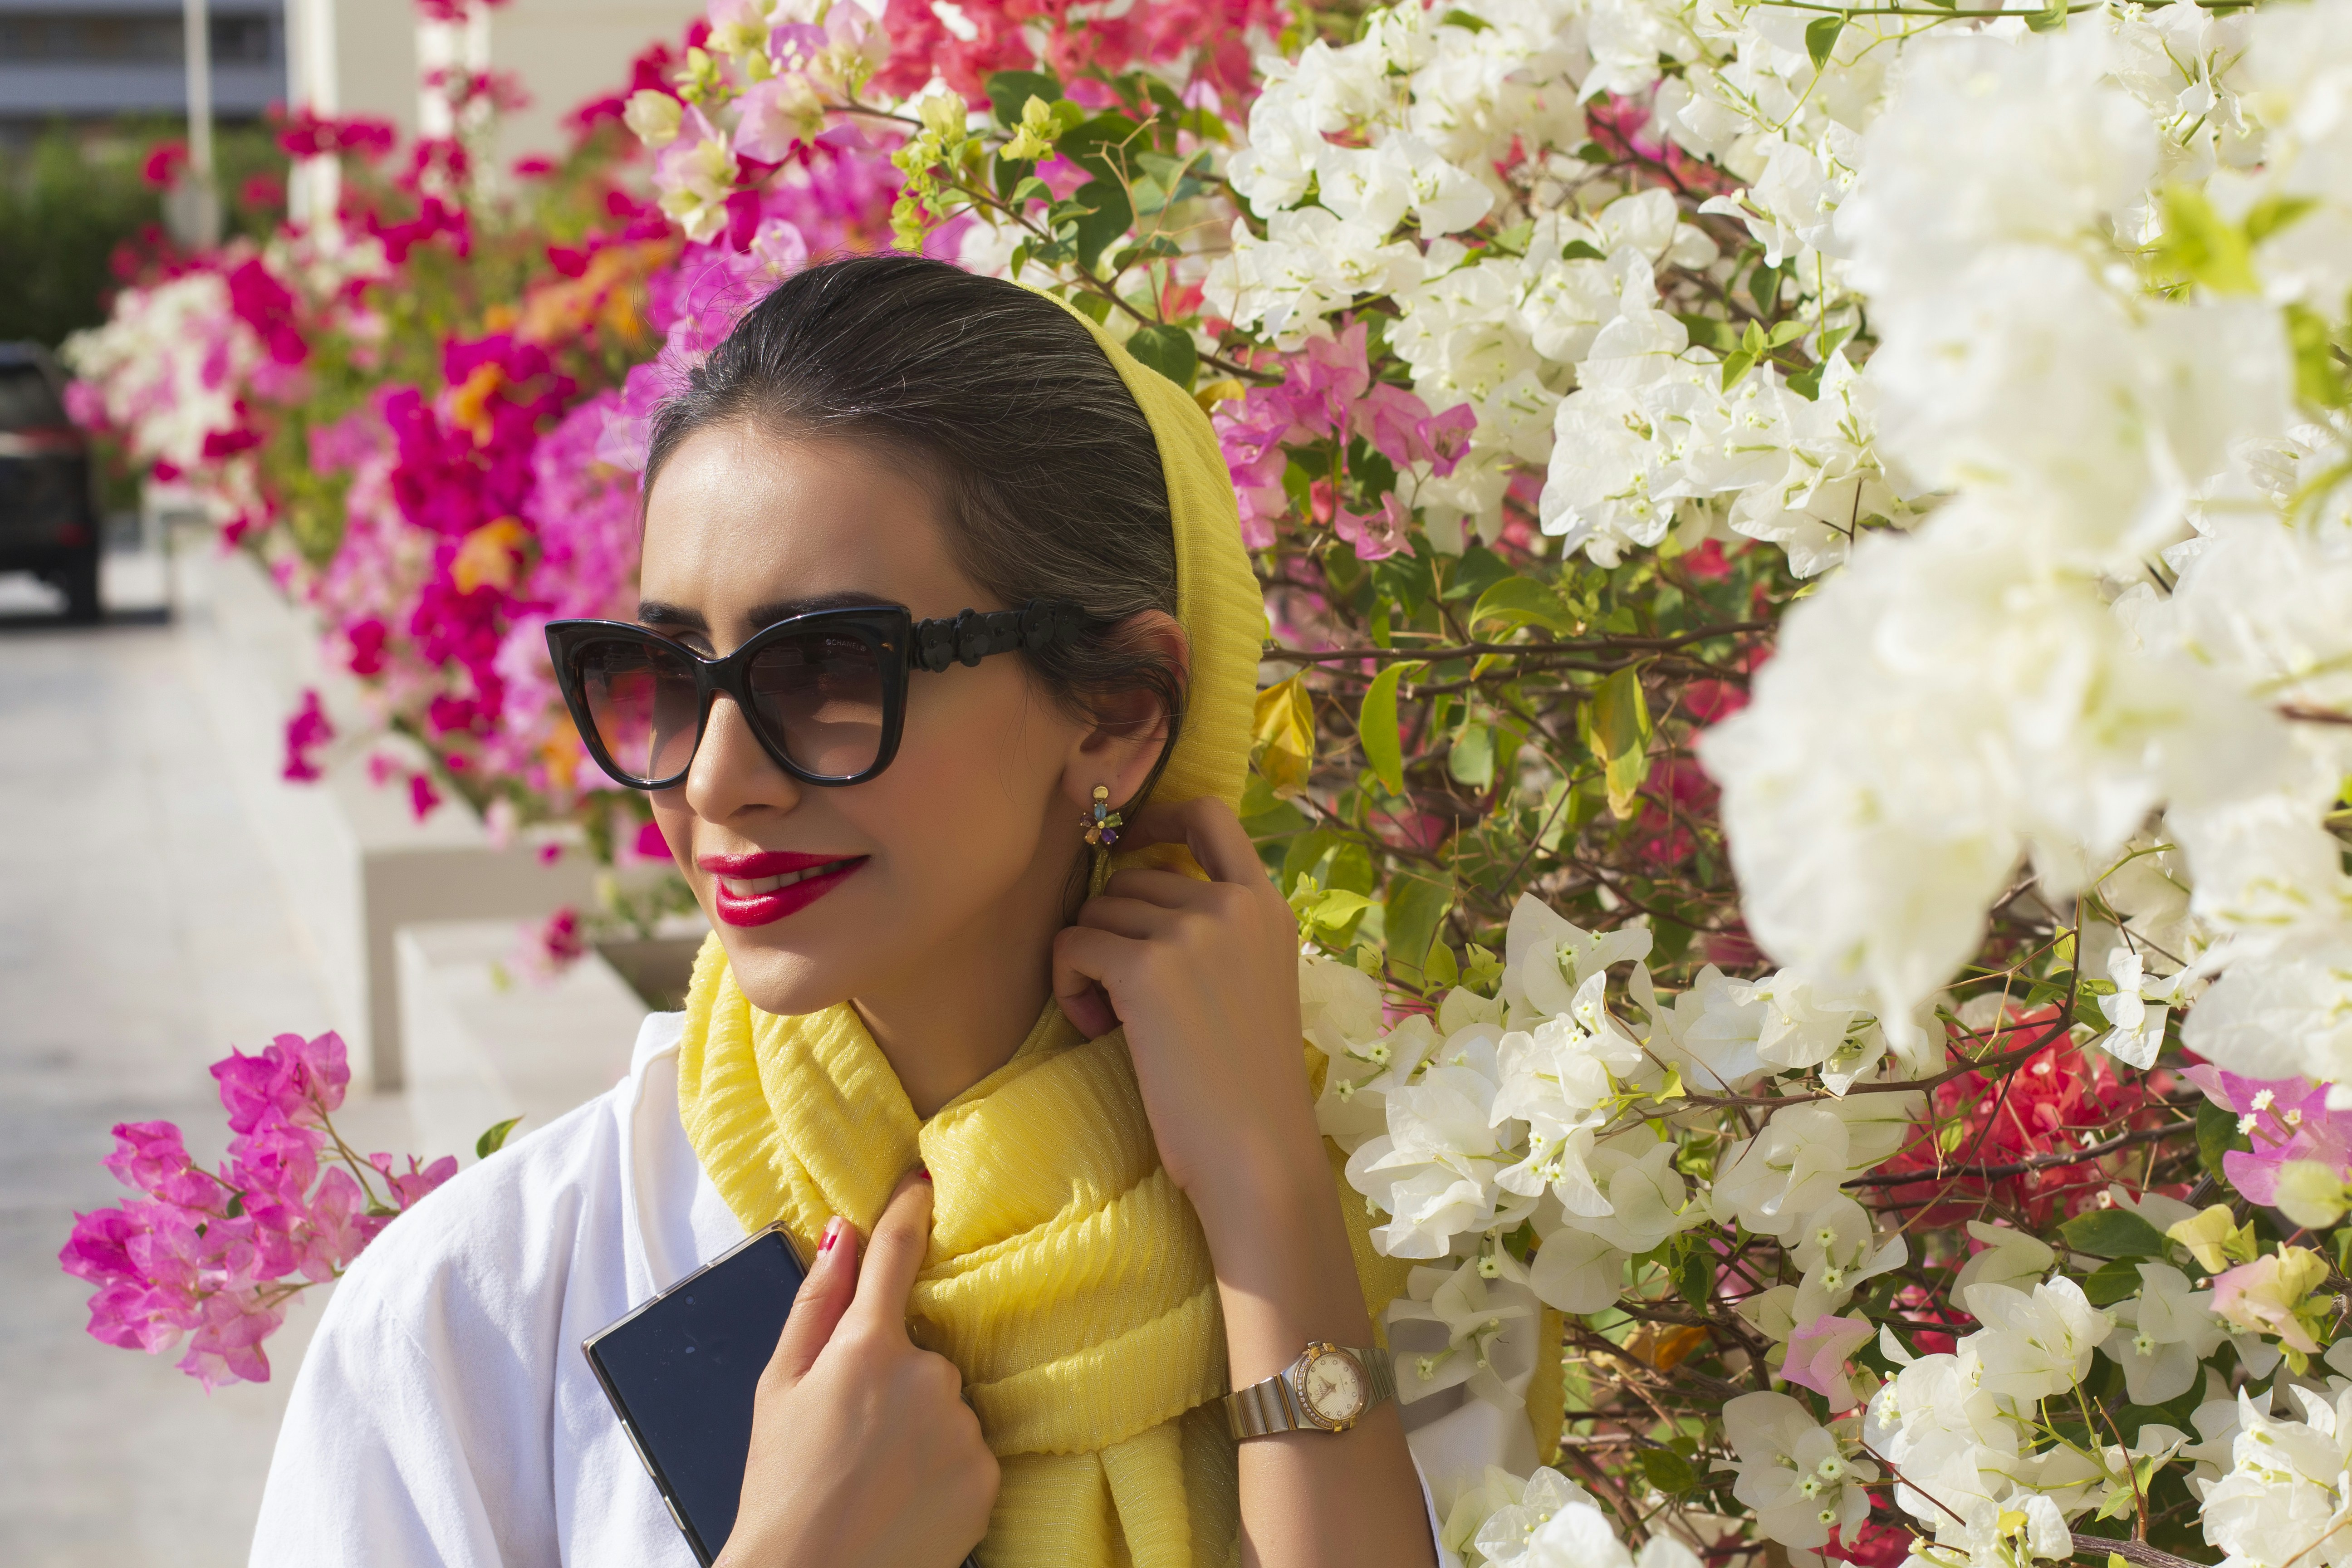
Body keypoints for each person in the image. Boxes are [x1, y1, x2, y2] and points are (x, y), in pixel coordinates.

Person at [249, 255, 1457, 1567]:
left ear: (1117, 711)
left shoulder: (1401, 1244)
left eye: (824, 667)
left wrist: (1267, 1208)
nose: (715, 777)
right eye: (663, 672)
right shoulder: (477, 1311)